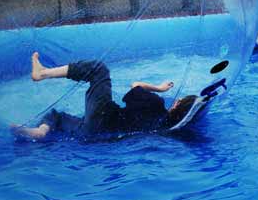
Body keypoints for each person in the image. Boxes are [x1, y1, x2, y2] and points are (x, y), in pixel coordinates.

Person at [10, 52, 197, 140]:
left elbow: (135, 85)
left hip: (103, 118)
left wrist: (160, 88)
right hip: (96, 137)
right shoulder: (163, 129)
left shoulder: (156, 103)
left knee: (99, 70)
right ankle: (40, 132)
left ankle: (42, 73)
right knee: (58, 116)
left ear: (176, 104)